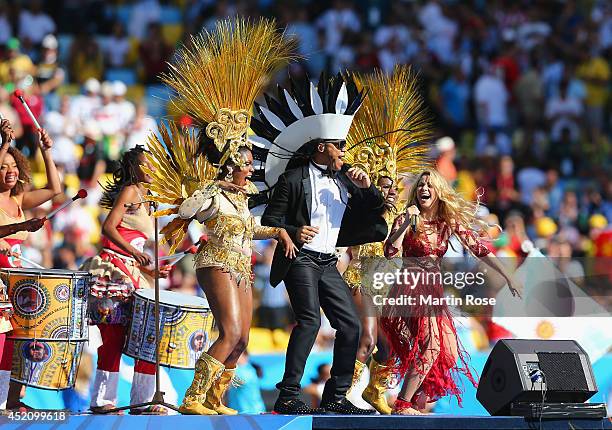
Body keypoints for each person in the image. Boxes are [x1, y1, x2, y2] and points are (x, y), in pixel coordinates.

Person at [145, 18, 296, 416]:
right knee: (229, 331)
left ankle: (214, 398)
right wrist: (215, 187)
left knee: (243, 339)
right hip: (215, 263)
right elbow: (185, 210)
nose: (252, 168)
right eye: (247, 163)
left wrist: (279, 230)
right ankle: (194, 396)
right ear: (231, 165)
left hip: (241, 266)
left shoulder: (243, 200)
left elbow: (249, 229)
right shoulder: (215, 195)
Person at [256, 71, 388, 415]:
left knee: (349, 325)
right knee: (310, 321)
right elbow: (271, 219)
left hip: (329, 261)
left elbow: (377, 211)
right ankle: (288, 393)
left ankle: (337, 395)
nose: (343, 151)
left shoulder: (347, 179)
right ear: (321, 147)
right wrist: (293, 231)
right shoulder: (293, 179)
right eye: (338, 145)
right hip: (299, 258)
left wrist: (366, 185)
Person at [381, 169, 523, 415]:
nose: (424, 189)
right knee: (431, 346)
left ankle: (415, 399)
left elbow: (478, 248)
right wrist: (405, 222)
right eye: (421, 185)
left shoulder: (447, 222)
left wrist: (508, 275)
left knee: (448, 350)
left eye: (430, 186)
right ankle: (402, 404)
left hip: (433, 287)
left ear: (438, 192)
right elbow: (390, 252)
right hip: (411, 285)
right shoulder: (407, 217)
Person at [341, 66, 433, 414]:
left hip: (389, 282)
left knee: (391, 345)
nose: (391, 191)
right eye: (385, 186)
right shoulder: (362, 209)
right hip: (363, 277)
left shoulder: (401, 215)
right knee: (367, 338)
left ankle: (375, 391)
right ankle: (343, 393)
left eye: (394, 186)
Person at [84, 145, 168, 415]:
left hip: (133, 272)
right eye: (145, 164)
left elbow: (138, 247)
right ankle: (102, 400)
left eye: (153, 164)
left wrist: (152, 271)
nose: (151, 169)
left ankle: (141, 400)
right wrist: (133, 252)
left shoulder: (150, 198)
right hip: (114, 271)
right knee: (114, 338)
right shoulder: (131, 191)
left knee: (146, 337)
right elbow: (108, 228)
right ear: (134, 169)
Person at [0, 119, 61, 410]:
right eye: (2, 166)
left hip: (16, 278)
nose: (9, 171)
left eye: (13, 166)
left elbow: (55, 190)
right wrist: (5, 145)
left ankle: (9, 399)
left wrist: (46, 151)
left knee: (18, 342)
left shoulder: (20, 198)